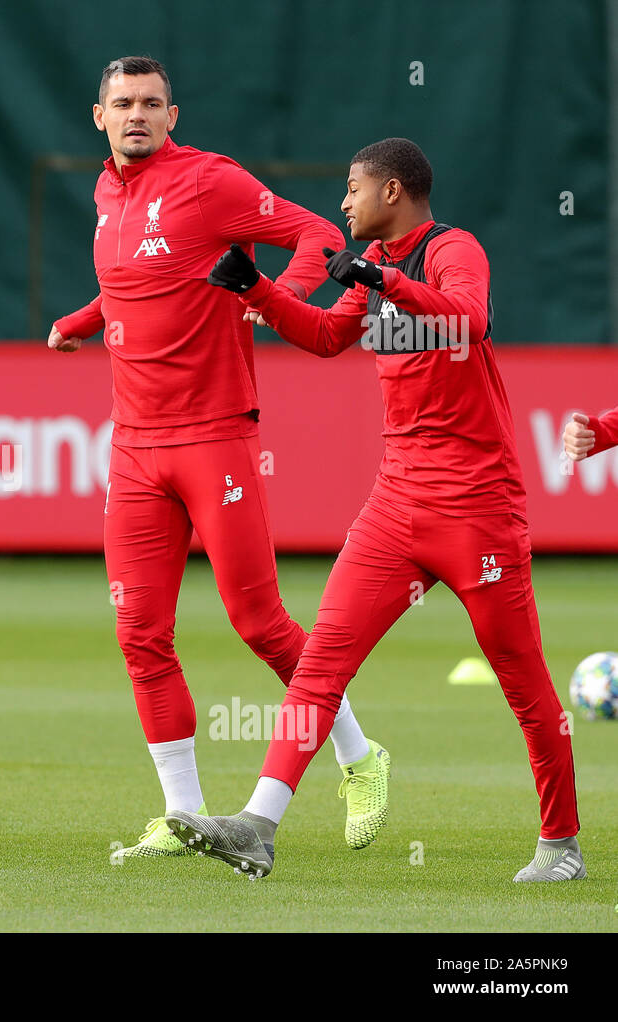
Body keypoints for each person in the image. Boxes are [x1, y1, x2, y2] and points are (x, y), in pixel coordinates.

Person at [170, 137, 583, 882]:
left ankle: (561, 847)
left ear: (393, 192)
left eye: (353, 190)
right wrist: (256, 291)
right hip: (396, 504)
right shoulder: (376, 272)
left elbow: (468, 319)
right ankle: (257, 825)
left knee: (524, 683)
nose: (343, 203)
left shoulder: (454, 249)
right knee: (321, 663)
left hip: (477, 509)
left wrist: (378, 278)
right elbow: (328, 335)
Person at [48, 56, 387, 860]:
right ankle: (182, 815)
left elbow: (317, 232)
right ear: (99, 116)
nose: (137, 114)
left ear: (174, 115)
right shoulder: (105, 193)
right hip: (133, 448)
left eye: (151, 104)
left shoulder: (210, 182)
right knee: (140, 634)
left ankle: (359, 756)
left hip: (214, 437)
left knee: (260, 624)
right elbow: (138, 281)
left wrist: (281, 299)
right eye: (122, 103)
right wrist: (84, 320)